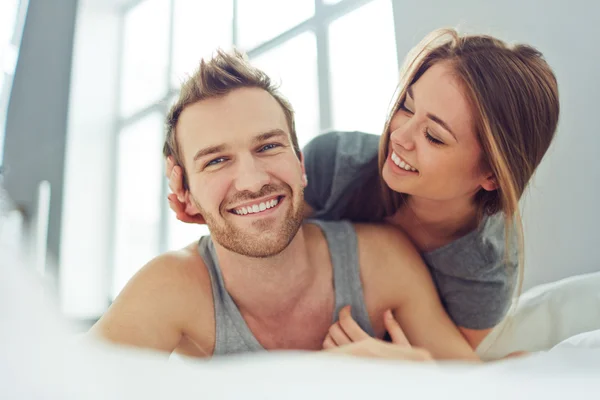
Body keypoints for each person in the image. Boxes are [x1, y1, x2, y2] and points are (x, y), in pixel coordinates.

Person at [166, 28, 560, 349]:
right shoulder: (334, 165)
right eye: (406, 106)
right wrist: (209, 213)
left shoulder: (486, 270)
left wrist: (401, 368)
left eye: (434, 137)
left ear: (490, 175)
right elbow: (267, 236)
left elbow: (451, 370)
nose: (400, 136)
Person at [90, 49, 478, 362]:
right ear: (186, 194)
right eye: (216, 161)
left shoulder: (380, 259)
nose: (253, 181)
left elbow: (480, 387)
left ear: (301, 165)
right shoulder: (170, 287)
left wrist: (417, 378)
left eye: (269, 146)